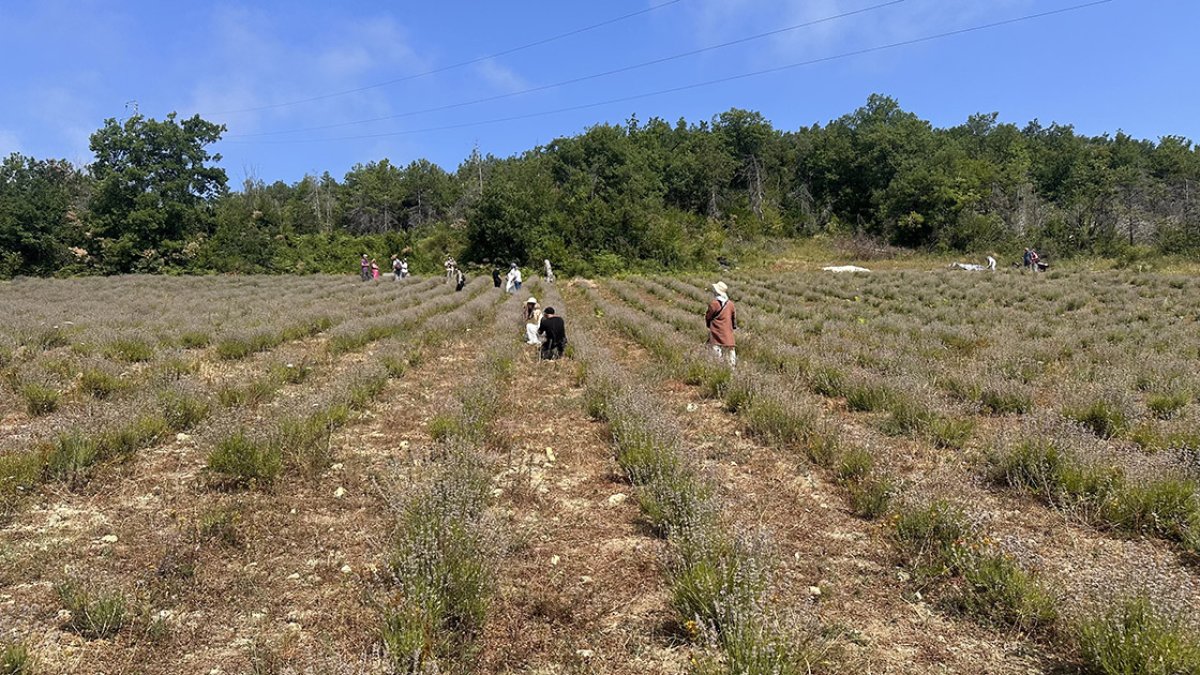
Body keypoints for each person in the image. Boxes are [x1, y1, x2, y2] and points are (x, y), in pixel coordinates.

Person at [705, 281, 737, 368]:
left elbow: (708, 316)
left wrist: (709, 325)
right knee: (730, 351)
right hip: (728, 331)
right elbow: (733, 318)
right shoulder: (731, 304)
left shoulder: (714, 304)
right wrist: (732, 327)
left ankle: (718, 368)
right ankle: (731, 370)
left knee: (716, 350)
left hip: (716, 331)